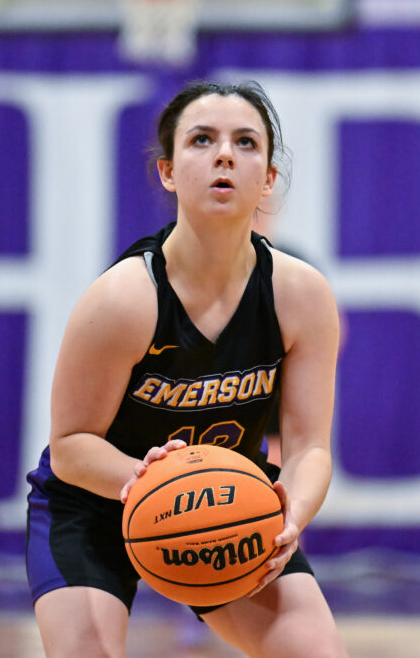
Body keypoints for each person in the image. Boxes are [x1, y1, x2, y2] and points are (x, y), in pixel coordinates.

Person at [25, 80, 346, 657]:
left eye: (246, 142)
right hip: (92, 507)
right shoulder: (123, 299)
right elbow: (71, 446)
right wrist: (145, 482)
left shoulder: (302, 296)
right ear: (168, 172)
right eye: (202, 139)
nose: (225, 154)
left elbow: (308, 447)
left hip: (224, 504)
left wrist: (288, 516)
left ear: (268, 178)